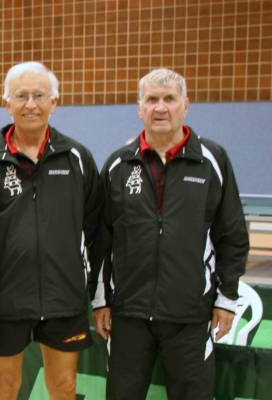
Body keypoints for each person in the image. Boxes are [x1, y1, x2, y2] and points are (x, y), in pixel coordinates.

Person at [89, 68, 250, 400]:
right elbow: (101, 238)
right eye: (151, 100)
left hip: (190, 314)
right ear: (139, 108)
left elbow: (231, 233)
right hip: (129, 314)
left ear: (185, 106)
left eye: (169, 99)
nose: (160, 108)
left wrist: (226, 299)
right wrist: (101, 299)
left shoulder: (212, 161)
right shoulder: (119, 164)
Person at [0, 62, 102, 400]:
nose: (31, 104)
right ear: (7, 103)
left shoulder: (77, 158)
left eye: (39, 95)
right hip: (4, 300)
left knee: (63, 387)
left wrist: (94, 289)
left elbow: (98, 228)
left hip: (64, 297)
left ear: (54, 102)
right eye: (22, 96)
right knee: (5, 386)